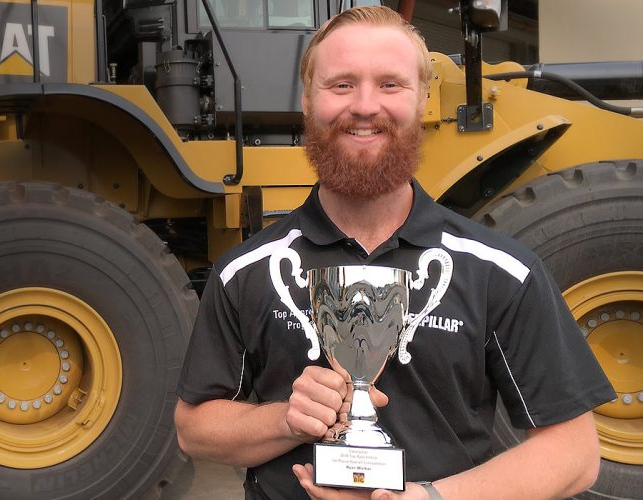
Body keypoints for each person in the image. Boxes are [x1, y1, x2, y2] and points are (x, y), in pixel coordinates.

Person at [173, 5, 615, 499]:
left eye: (390, 84)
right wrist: (286, 420)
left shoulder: (502, 272)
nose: (365, 106)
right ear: (307, 101)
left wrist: (430, 498)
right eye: (341, 84)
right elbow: (194, 430)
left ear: (423, 99)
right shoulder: (247, 270)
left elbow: (574, 454)